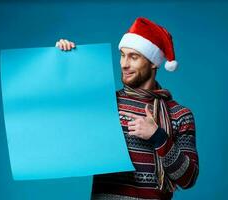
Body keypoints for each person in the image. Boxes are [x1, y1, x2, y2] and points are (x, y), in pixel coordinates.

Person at [55, 17, 199, 200]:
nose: (124, 64)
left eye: (133, 57)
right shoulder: (105, 105)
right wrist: (64, 61)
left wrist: (158, 136)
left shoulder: (180, 115)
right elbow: (63, 119)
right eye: (122, 55)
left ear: (153, 62)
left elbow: (189, 179)